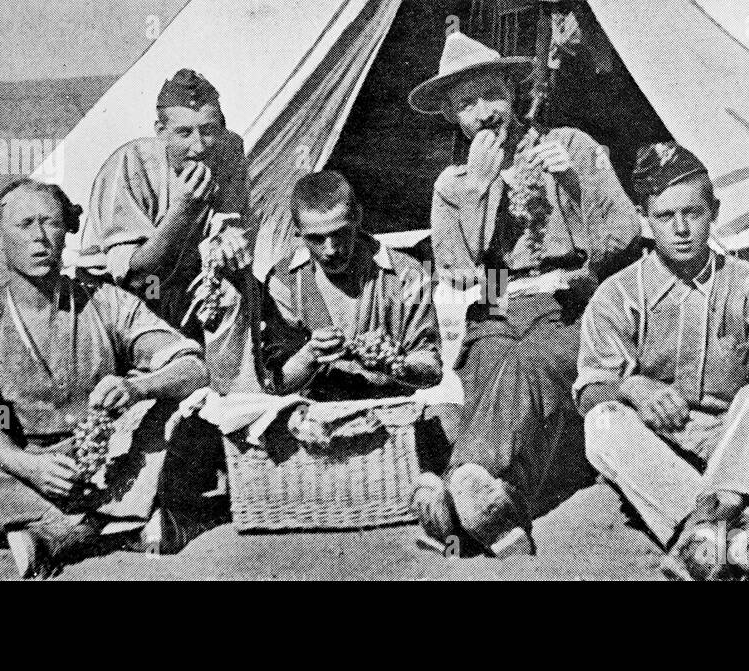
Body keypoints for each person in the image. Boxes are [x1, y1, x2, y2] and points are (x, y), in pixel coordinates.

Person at [407, 32, 642, 557]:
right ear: (451, 115)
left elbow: (624, 235)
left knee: (528, 365)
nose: (484, 112)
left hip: (569, 298)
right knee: (483, 365)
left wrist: (576, 181)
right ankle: (498, 506)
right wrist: (480, 191)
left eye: (492, 94)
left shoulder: (571, 146)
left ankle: (454, 485)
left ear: (514, 93)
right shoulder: (452, 183)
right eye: (466, 104)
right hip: (494, 299)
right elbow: (464, 279)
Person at [0, 180, 210, 578]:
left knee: (176, 413)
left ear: (66, 232)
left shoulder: (105, 301)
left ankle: (58, 530)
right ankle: (96, 525)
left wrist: (136, 386)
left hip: (109, 455)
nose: (40, 238)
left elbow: (193, 367)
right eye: (25, 225)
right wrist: (27, 465)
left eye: (51, 223)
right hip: (25, 461)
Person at [574, 142, 749, 581]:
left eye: (693, 213)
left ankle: (706, 536)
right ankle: (728, 527)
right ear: (646, 220)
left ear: (714, 212)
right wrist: (631, 387)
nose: (681, 229)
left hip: (731, 437)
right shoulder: (618, 295)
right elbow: (590, 389)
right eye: (665, 217)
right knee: (601, 424)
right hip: (658, 444)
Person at [79, 68, 254, 394]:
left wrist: (230, 236)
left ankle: (234, 396)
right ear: (160, 131)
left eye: (210, 130)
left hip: (182, 286)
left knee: (232, 287)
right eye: (184, 133)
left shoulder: (228, 150)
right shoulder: (131, 164)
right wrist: (183, 211)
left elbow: (230, 220)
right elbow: (135, 271)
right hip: (119, 297)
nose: (200, 147)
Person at [260, 171, 442, 401]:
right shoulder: (284, 281)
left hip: (391, 407)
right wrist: (309, 356)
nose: (331, 250)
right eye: (316, 238)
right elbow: (274, 384)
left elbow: (432, 369)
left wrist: (397, 365)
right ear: (298, 234)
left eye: (339, 234)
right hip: (312, 415)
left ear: (357, 216)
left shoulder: (407, 274)